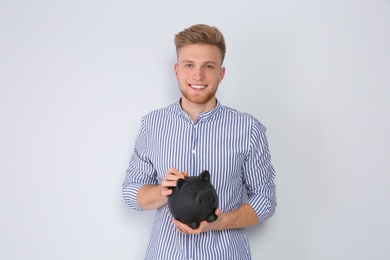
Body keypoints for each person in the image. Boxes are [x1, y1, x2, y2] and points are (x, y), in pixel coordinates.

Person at [122, 24, 276, 260]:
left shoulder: (248, 128)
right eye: (189, 65)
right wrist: (164, 192)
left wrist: (220, 222)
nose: (198, 76)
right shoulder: (152, 124)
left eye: (208, 66)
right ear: (176, 70)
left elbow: (265, 200)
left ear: (220, 74)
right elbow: (132, 193)